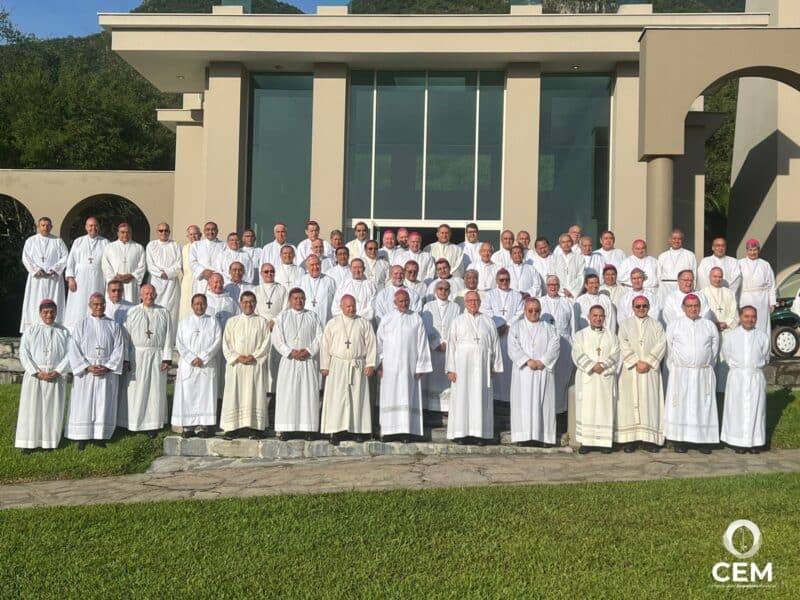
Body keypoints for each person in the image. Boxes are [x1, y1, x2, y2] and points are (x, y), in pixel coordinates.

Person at [66, 293, 125, 449]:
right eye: (96, 304)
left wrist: (108, 366)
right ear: (90, 305)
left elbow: (119, 348)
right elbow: (73, 349)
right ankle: (82, 437)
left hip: (106, 371)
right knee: (84, 403)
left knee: (103, 402)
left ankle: (100, 436)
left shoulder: (113, 325)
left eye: (102, 304)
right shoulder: (81, 325)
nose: (99, 307)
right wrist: (86, 366)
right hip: (87, 372)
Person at [664, 294, 720, 454]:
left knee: (703, 406)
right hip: (681, 373)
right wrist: (677, 370)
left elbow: (714, 350)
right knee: (682, 407)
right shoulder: (674, 326)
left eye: (696, 305)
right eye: (689, 306)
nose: (693, 308)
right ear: (683, 308)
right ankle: (680, 441)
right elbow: (669, 350)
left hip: (703, 372)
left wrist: (704, 363)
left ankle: (703, 441)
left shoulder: (709, 325)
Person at [445, 291, 503, 444]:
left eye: (476, 300)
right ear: (465, 302)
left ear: (480, 302)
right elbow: (451, 346)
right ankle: (461, 434)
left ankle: (479, 434)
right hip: (461, 368)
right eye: (470, 300)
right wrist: (450, 368)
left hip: (483, 368)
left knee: (480, 398)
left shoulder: (488, 321)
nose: (473, 303)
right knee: (462, 398)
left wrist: (495, 366)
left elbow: (495, 344)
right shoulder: (457, 321)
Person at [15, 299, 71, 453]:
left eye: (52, 312)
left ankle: (49, 442)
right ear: (40, 313)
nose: (49, 315)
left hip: (55, 375)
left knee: (52, 410)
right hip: (36, 376)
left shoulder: (64, 332)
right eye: (45, 312)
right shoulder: (31, 331)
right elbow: (24, 353)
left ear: (56, 312)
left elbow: (70, 354)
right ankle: (29, 442)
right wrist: (36, 372)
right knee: (33, 409)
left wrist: (58, 370)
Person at [320, 294, 377, 444]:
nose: (351, 309)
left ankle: (357, 431)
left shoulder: (364, 323)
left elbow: (371, 344)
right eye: (348, 306)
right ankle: (335, 431)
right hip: (337, 366)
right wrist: (325, 365)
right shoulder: (333, 323)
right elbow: (325, 345)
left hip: (357, 366)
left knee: (357, 398)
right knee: (336, 399)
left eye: (353, 306)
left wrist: (370, 364)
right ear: (341, 307)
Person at [376, 289, 432, 441]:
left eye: (406, 300)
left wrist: (421, 366)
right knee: (390, 396)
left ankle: (406, 432)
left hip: (410, 366)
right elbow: (379, 343)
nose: (404, 303)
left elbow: (422, 343)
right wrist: (379, 364)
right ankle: (388, 432)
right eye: (401, 301)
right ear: (395, 303)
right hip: (390, 367)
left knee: (408, 396)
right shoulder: (387, 319)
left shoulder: (416, 319)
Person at [119, 284, 172, 437]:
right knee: (136, 389)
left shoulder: (163, 312)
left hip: (157, 355)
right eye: (146, 294)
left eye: (152, 293)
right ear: (141, 295)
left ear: (156, 295)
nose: (149, 296)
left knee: (154, 390)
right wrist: (126, 358)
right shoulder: (132, 312)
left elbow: (169, 336)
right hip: (137, 354)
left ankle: (152, 424)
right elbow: (126, 337)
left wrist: (167, 358)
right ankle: (134, 422)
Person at [616, 295, 666, 452]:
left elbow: (661, 343)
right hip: (631, 370)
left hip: (650, 371)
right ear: (633, 307)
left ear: (649, 307)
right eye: (638, 306)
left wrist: (649, 362)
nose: (641, 309)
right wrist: (636, 362)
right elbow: (622, 343)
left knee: (650, 403)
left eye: (644, 306)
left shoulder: (656, 325)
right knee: (628, 404)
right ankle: (630, 440)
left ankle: (649, 440)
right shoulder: (625, 325)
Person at [507, 298, 560, 447]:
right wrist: (527, 361)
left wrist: (542, 361)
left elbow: (555, 346)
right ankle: (523, 437)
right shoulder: (516, 327)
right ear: (525, 311)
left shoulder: (549, 328)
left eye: (537, 310)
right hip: (524, 372)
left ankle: (543, 437)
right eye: (530, 310)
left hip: (543, 371)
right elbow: (513, 347)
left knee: (544, 404)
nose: (534, 313)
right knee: (522, 404)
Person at [272, 288, 324, 439]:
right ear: (290, 300)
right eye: (295, 298)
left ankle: (308, 429)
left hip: (308, 361)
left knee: (308, 394)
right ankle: (286, 429)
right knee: (288, 394)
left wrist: (309, 350)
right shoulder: (282, 317)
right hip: (289, 361)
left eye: (301, 298)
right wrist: (290, 352)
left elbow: (320, 336)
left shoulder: (312, 316)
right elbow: (276, 338)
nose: (298, 301)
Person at [220, 291, 271, 439]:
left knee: (253, 394)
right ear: (241, 303)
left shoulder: (262, 321)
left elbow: (266, 343)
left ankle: (254, 427)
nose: (248, 305)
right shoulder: (232, 322)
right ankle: (232, 428)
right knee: (234, 395)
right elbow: (226, 344)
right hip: (236, 366)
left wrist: (254, 356)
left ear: (255, 303)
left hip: (254, 365)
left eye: (251, 302)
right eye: (245, 302)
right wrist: (237, 357)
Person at [721, 306, 770, 454]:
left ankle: (755, 442)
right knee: (737, 409)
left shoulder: (763, 336)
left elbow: (766, 357)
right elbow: (727, 354)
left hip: (755, 377)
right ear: (741, 317)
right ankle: (738, 442)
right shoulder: (730, 336)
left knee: (757, 409)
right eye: (746, 316)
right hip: (738, 377)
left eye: (753, 316)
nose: (750, 319)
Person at [571, 305, 620, 454]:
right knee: (587, 409)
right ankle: (587, 442)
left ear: (605, 317)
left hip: (605, 378)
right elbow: (577, 353)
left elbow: (616, 354)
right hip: (588, 378)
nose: (598, 319)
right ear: (589, 317)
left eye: (601, 316)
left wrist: (603, 365)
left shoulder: (612, 335)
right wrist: (592, 366)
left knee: (604, 410)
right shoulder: (581, 335)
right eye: (595, 316)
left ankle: (604, 443)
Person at [172, 293, 222, 438]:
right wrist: (191, 358)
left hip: (206, 365)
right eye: (197, 304)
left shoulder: (213, 322)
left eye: (202, 304)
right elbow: (179, 343)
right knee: (188, 394)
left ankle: (203, 426)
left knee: (205, 395)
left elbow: (217, 342)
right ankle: (188, 426)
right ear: (192, 305)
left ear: (206, 305)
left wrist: (203, 357)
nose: (199, 306)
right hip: (189, 365)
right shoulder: (184, 322)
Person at [20, 217, 68, 333]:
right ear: (38, 226)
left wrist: (54, 269)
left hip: (53, 278)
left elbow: (66, 257)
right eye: (42, 225)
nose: (45, 228)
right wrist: (36, 269)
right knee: (34, 302)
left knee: (54, 300)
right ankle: (33, 329)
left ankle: (57, 328)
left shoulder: (58, 241)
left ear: (51, 227)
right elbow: (26, 258)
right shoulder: (31, 241)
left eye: (47, 225)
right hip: (37, 279)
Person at [484, 269, 524, 402]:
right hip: (496, 334)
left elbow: (520, 312)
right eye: (501, 280)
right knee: (496, 363)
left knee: (509, 365)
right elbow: (486, 311)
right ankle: (496, 398)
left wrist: (507, 325)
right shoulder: (490, 295)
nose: (504, 282)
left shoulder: (517, 295)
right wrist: (498, 325)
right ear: (496, 281)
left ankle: (509, 397)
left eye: (507, 279)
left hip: (511, 334)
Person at [421, 280, 461, 412]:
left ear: (450, 291)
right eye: (440, 289)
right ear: (435, 291)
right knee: (432, 380)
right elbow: (427, 326)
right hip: (433, 349)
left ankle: (446, 410)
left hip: (448, 349)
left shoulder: (455, 307)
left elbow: (455, 327)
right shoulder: (428, 306)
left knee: (446, 381)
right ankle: (430, 409)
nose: (443, 291)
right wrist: (436, 343)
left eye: (446, 289)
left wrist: (447, 344)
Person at [64, 217, 109, 330]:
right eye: (90, 225)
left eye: (95, 225)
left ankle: (95, 327)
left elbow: (108, 262)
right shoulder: (78, 241)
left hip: (97, 278)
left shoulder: (105, 242)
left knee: (96, 301)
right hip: (79, 278)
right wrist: (70, 278)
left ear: (98, 227)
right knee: (78, 303)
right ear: (86, 227)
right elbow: (71, 261)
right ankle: (75, 328)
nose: (93, 228)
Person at [539, 276, 575, 415]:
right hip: (546, 346)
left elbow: (573, 327)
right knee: (548, 380)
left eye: (556, 284)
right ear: (546, 286)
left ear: (559, 286)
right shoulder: (540, 302)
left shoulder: (567, 303)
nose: (553, 287)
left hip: (565, 345)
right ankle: (546, 412)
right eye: (550, 284)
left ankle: (561, 412)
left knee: (562, 380)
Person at [702, 266, 739, 393]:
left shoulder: (729, 293)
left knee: (725, 361)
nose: (717, 279)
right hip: (710, 332)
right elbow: (702, 313)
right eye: (715, 276)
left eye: (720, 276)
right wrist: (713, 324)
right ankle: (709, 390)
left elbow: (734, 312)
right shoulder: (703, 293)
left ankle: (724, 390)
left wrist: (726, 323)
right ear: (709, 277)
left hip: (727, 332)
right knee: (710, 360)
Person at [146, 222, 182, 329]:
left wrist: (168, 273)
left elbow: (178, 264)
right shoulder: (151, 245)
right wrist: (160, 273)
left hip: (171, 283)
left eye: (166, 230)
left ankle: (170, 337)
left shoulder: (175, 245)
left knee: (171, 310)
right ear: (157, 232)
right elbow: (150, 263)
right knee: (154, 307)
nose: (163, 233)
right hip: (156, 281)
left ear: (169, 232)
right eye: (161, 230)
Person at [738, 239, 776, 338]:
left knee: (761, 325)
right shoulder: (739, 263)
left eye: (755, 250)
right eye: (750, 250)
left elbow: (771, 285)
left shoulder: (765, 264)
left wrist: (772, 302)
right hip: (745, 298)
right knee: (746, 324)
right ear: (746, 251)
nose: (752, 252)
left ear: (758, 250)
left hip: (762, 300)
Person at [101, 222, 146, 303]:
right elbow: (105, 265)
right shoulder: (110, 247)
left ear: (131, 233)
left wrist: (132, 275)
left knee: (131, 307)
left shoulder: (138, 248)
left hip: (131, 283)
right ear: (118, 233)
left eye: (127, 232)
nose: (125, 234)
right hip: (114, 284)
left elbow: (142, 266)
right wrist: (114, 277)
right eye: (122, 232)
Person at [657, 229, 697, 304]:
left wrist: (691, 289)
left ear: (682, 240)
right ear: (669, 240)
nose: (676, 241)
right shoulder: (662, 256)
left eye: (679, 239)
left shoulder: (690, 255)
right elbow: (658, 274)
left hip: (683, 288)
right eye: (674, 238)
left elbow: (694, 274)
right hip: (665, 288)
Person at [298, 254, 336, 327]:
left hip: (325, 322)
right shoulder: (301, 281)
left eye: (317, 264)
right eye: (312, 265)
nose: (315, 267)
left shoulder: (330, 281)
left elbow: (335, 302)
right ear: (307, 267)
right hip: (305, 322)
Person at [190, 221, 225, 294]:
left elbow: (225, 263)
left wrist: (214, 274)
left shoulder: (224, 245)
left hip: (217, 281)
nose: (210, 232)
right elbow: (192, 262)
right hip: (201, 279)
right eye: (208, 229)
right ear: (204, 231)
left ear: (217, 231)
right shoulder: (196, 245)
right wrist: (203, 271)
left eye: (213, 229)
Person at [179, 224, 201, 320]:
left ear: (200, 235)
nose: (193, 237)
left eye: (195, 234)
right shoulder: (184, 248)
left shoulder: (203, 247)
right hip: (187, 281)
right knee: (185, 306)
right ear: (188, 236)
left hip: (199, 280)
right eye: (191, 234)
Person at [551, 234, 584, 298]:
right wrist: (561, 290)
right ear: (560, 245)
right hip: (558, 293)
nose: (566, 244)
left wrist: (571, 290)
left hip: (573, 295)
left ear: (572, 243)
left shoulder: (579, 258)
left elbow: (581, 276)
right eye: (563, 242)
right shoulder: (554, 258)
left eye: (568, 241)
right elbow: (552, 276)